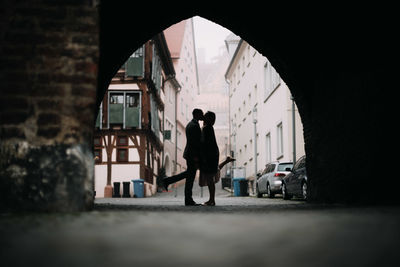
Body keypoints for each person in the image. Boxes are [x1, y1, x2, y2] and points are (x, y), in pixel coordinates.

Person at [162, 108, 204, 206]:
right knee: (190, 177)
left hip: (189, 154)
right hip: (192, 155)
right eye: (201, 114)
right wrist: (196, 157)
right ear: (197, 115)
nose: (202, 115)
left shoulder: (191, 124)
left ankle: (169, 181)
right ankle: (188, 199)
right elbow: (195, 143)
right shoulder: (194, 126)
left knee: (189, 175)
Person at [199, 111, 235, 206]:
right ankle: (211, 200)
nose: (203, 118)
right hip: (213, 154)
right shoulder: (210, 128)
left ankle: (211, 200)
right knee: (213, 173)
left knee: (210, 178)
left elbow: (204, 143)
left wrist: (203, 156)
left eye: (205, 117)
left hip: (209, 155)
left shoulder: (206, 128)